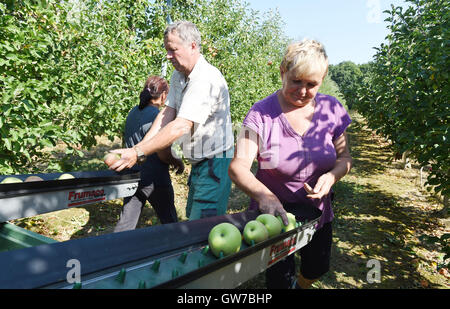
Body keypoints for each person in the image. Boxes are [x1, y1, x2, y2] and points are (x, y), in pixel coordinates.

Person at [228, 39, 352, 289]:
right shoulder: (261, 114)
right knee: (279, 281)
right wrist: (264, 196)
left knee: (316, 267)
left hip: (318, 213)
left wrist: (332, 177)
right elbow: (238, 166)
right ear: (283, 72)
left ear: (322, 80)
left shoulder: (331, 110)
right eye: (296, 81)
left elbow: (345, 158)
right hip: (274, 216)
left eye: (312, 84)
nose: (303, 91)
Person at [108, 21, 234, 221]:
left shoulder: (205, 79)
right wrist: (138, 150)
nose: (168, 55)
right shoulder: (179, 75)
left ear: (193, 46)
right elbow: (167, 113)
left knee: (201, 226)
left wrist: (137, 151)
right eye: (167, 49)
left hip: (215, 161)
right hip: (200, 161)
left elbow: (181, 125)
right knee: (194, 218)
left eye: (173, 50)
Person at [113, 75, 184, 232]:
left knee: (126, 222)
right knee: (170, 221)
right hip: (155, 179)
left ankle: (114, 250)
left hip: (132, 174)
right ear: (164, 95)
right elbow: (163, 153)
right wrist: (177, 162)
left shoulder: (133, 112)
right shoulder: (159, 117)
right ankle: (177, 251)